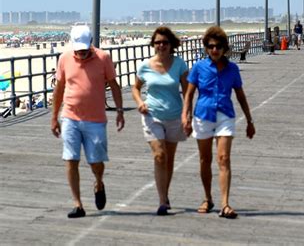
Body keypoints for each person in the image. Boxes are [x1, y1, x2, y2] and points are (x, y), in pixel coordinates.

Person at [51, 25, 125, 218]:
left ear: (91, 43)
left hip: (95, 119)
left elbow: (114, 85)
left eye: (84, 49)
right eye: (78, 49)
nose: (81, 53)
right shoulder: (64, 59)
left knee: (96, 162)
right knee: (71, 159)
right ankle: (78, 204)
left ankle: (99, 183)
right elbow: (59, 88)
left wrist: (119, 110)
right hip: (70, 117)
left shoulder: (103, 58)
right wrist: (54, 117)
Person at [181, 26, 255, 219]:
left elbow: (240, 95)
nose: (215, 50)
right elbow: (189, 94)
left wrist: (249, 120)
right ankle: (207, 198)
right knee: (205, 159)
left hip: (225, 115)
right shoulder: (198, 68)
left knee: (223, 158)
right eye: (211, 46)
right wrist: (185, 116)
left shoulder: (232, 69)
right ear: (206, 48)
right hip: (203, 115)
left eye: (219, 46)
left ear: (225, 48)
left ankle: (225, 204)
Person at [132, 26, 189, 216]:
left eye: (165, 42)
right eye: (157, 42)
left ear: (171, 44)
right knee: (159, 155)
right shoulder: (145, 66)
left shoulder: (180, 64)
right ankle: (162, 200)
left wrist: (187, 113)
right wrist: (140, 102)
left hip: (174, 115)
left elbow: (187, 90)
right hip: (152, 115)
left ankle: (165, 194)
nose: (161, 45)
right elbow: (135, 87)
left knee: (169, 158)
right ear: (153, 44)